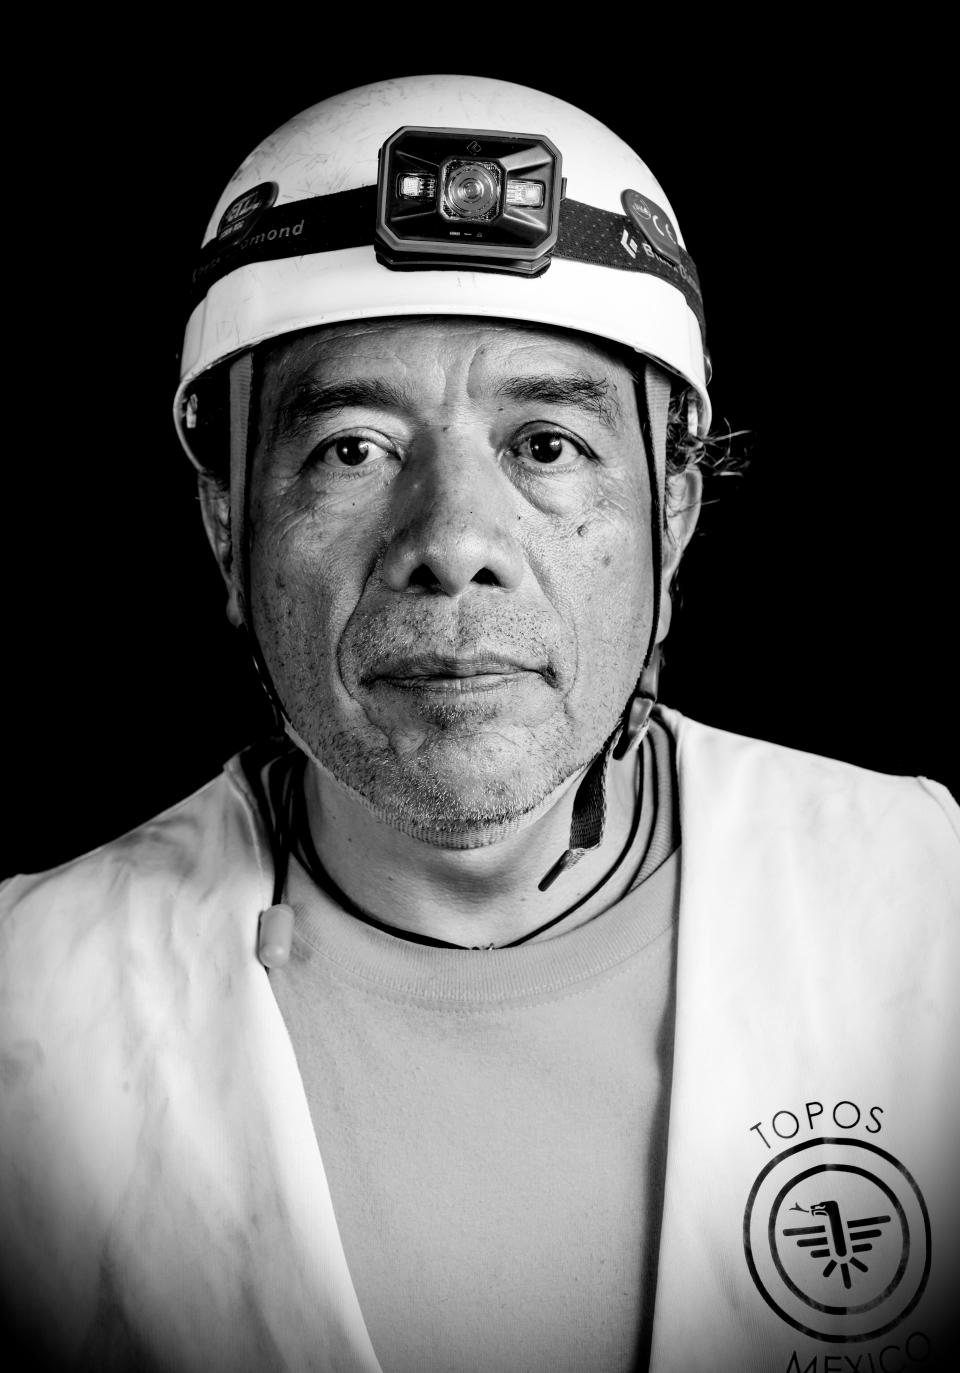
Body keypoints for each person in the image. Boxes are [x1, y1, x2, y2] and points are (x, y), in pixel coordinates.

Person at [1, 74, 957, 1373]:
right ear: (226, 522)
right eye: (349, 447)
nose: (452, 543)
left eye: (549, 443)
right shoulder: (27, 1009)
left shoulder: (932, 908)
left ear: (675, 503)